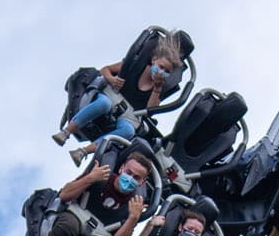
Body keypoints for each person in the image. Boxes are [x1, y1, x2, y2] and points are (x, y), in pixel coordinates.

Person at [23, 144, 155, 236]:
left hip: (102, 233)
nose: (130, 178)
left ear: (142, 182)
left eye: (136, 177)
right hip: (79, 212)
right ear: (122, 168)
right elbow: (64, 194)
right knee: (67, 228)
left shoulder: (135, 203)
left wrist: (133, 219)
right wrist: (90, 178)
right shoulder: (102, 175)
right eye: (128, 173)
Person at [55, 27, 192, 148]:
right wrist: (112, 79)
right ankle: (66, 132)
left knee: (129, 131)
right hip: (108, 96)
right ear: (154, 60)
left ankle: (85, 151)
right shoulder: (135, 64)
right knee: (104, 103)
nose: (162, 72)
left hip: (127, 115)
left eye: (167, 71)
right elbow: (105, 69)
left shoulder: (160, 86)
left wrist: (157, 89)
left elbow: (150, 110)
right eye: (161, 67)